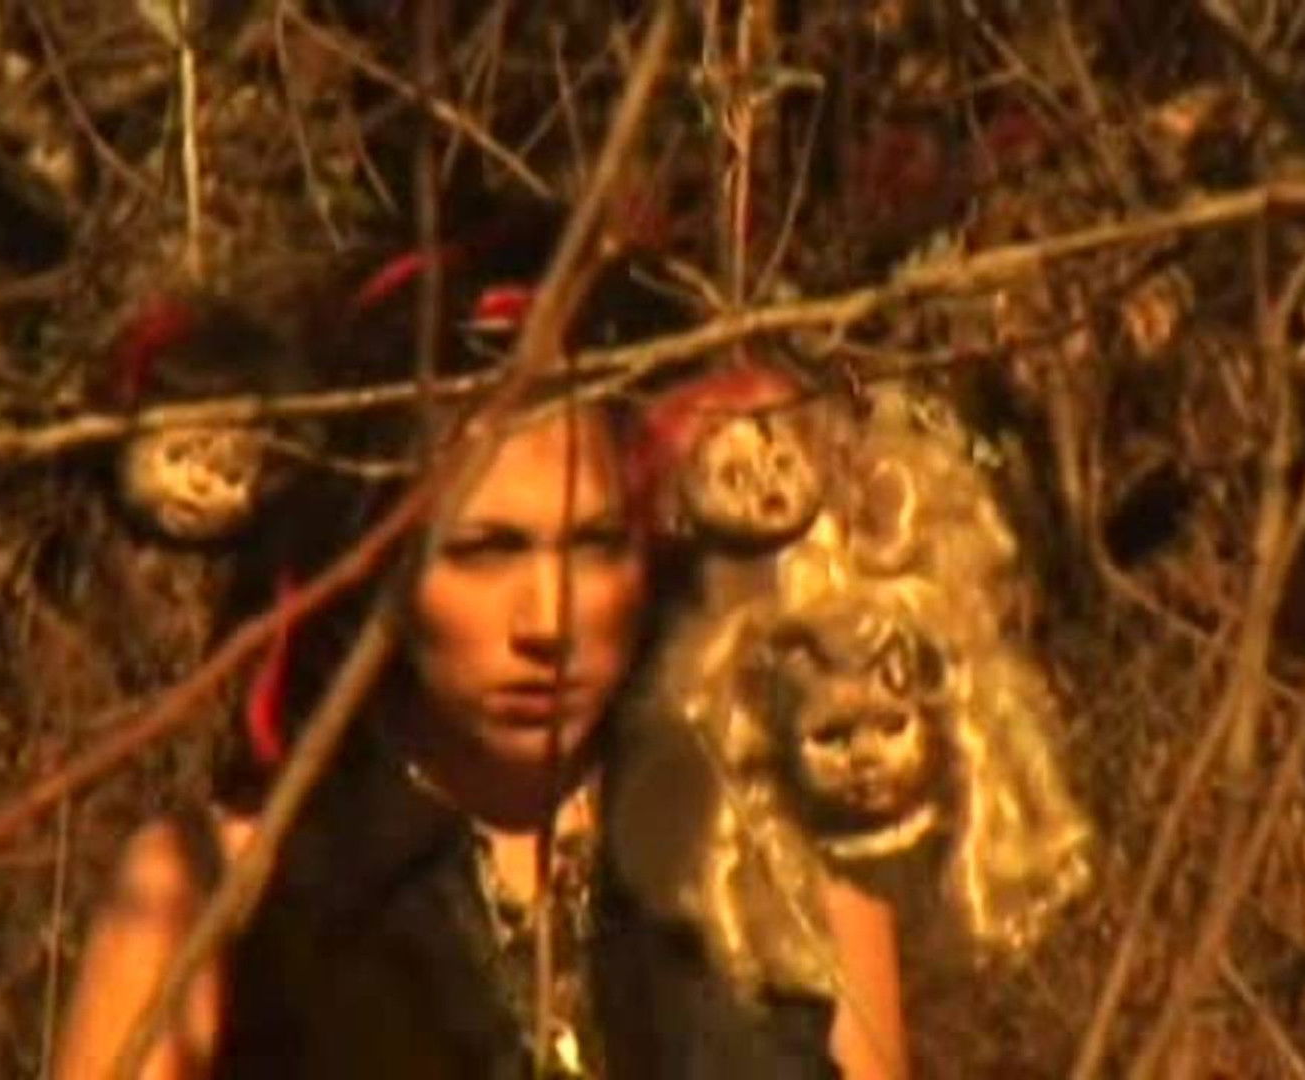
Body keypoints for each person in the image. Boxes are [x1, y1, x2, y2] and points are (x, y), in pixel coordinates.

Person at [53, 223, 908, 1079]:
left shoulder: (779, 852)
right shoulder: (214, 886)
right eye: (484, 550)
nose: (548, 622)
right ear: (377, 563)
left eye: (596, 545)